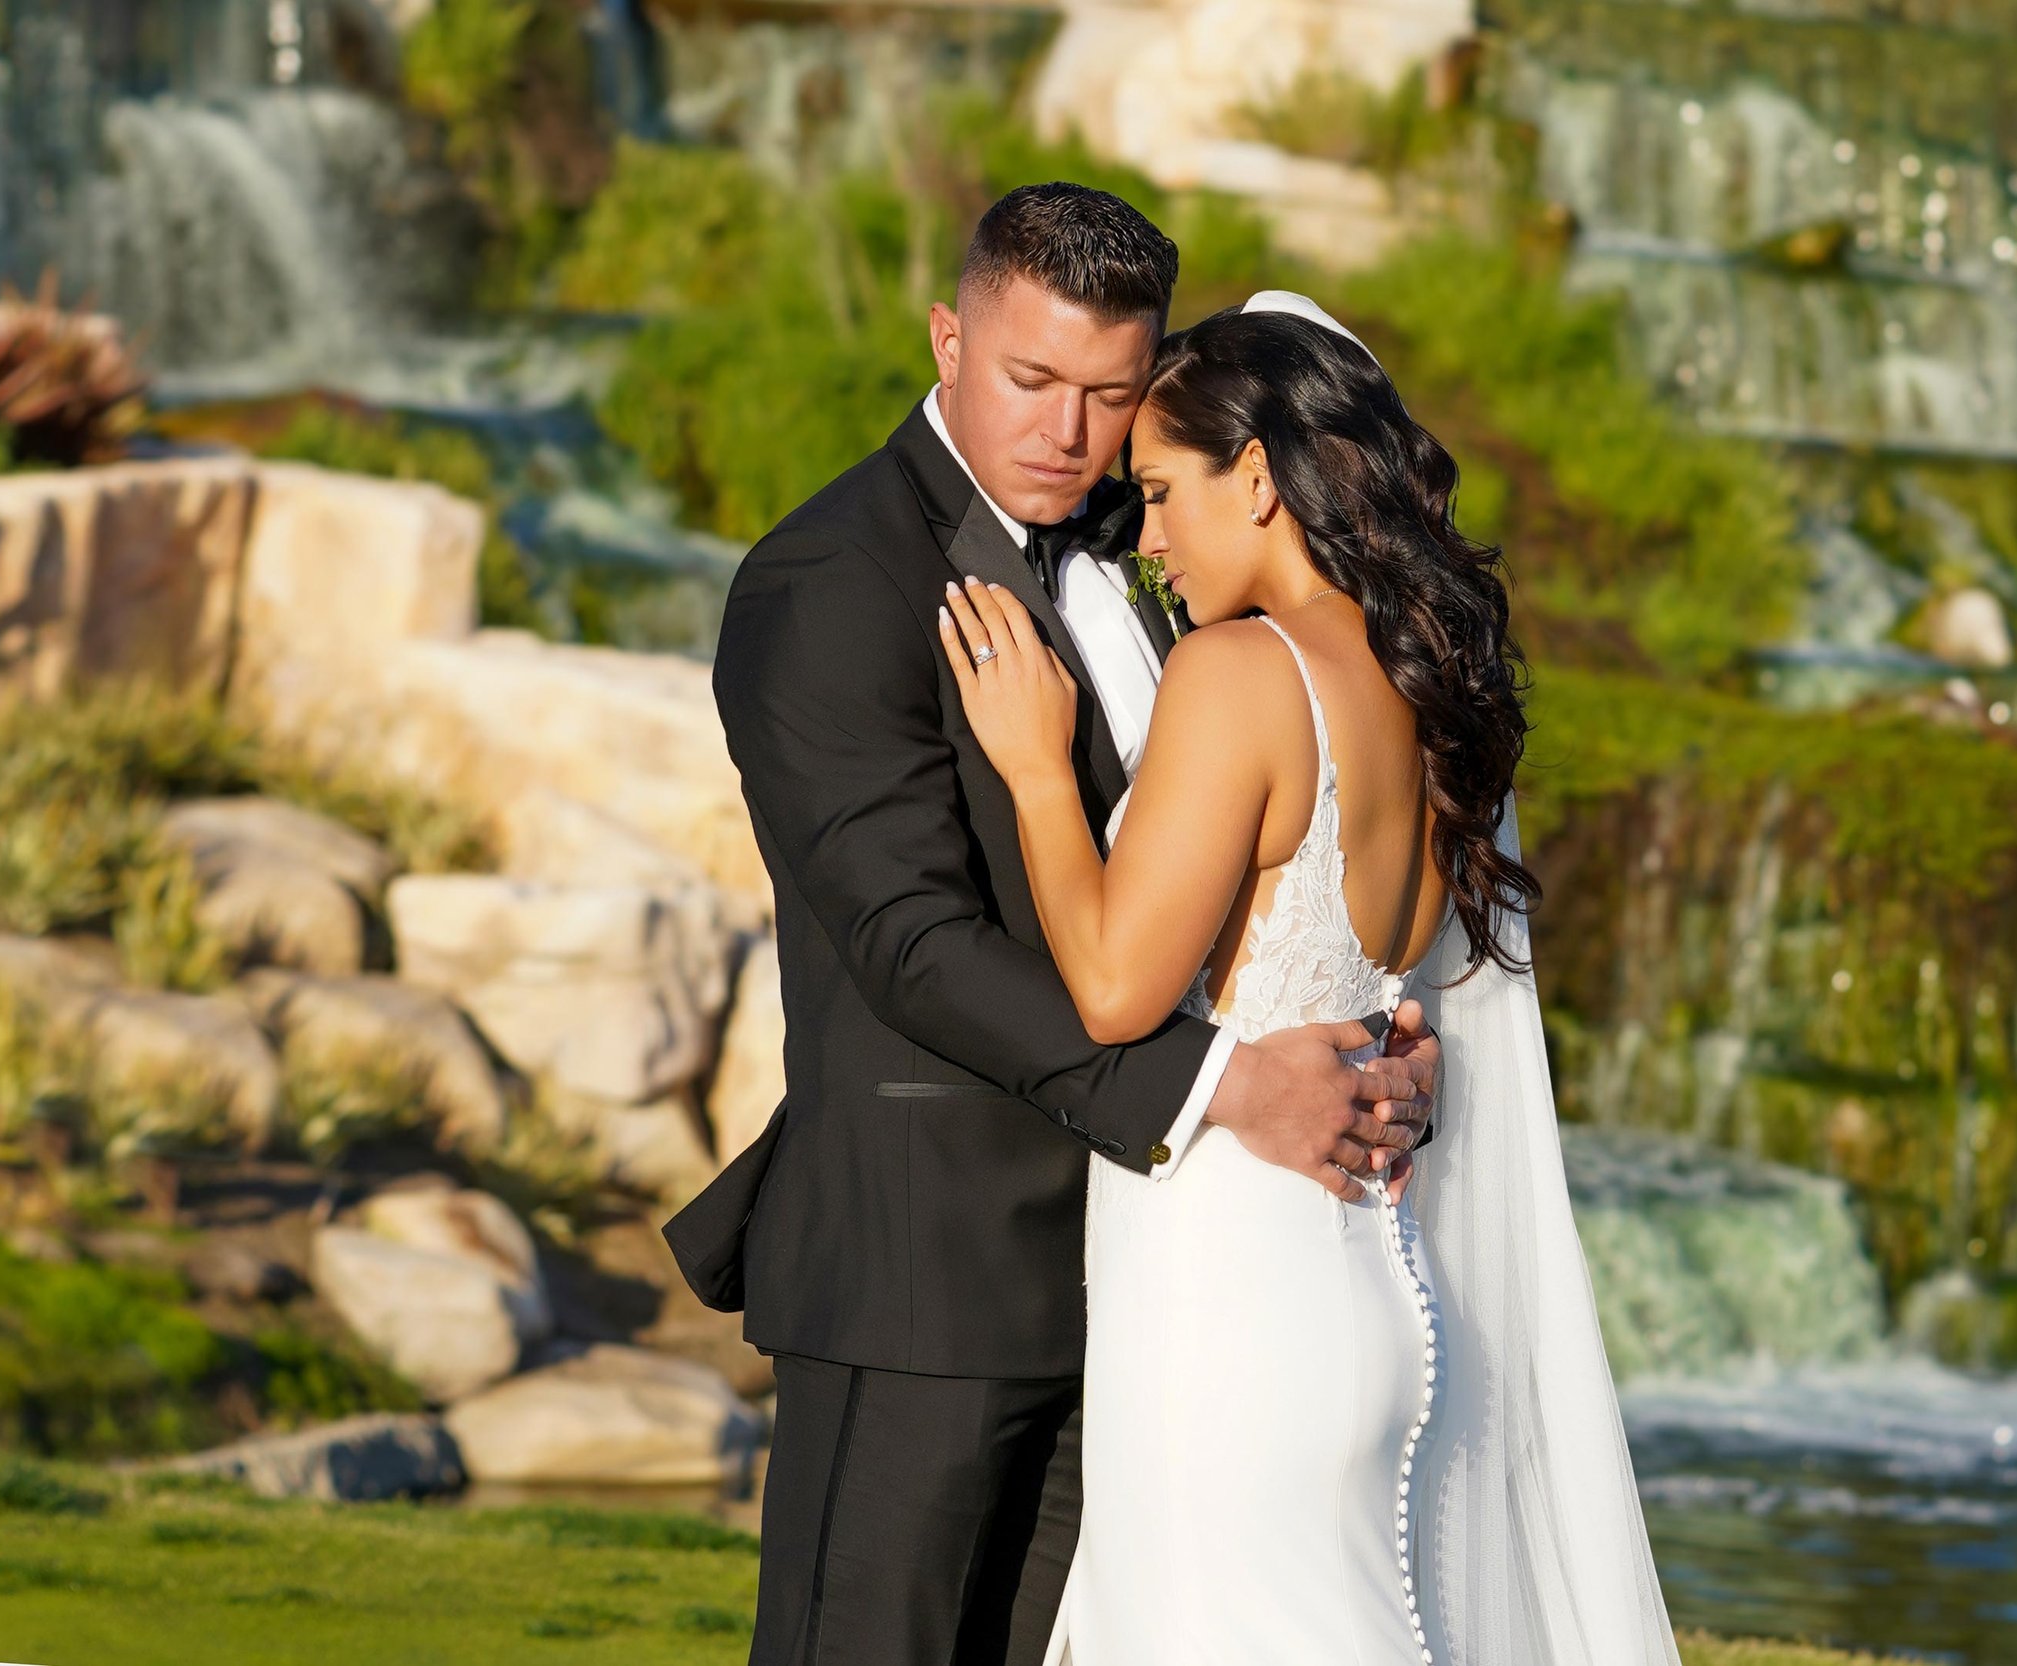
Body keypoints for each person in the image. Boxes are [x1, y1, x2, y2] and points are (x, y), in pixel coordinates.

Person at [662, 183, 1441, 1666]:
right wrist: (1225, 1089)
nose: (1068, 436)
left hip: (1160, 1285)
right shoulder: (829, 582)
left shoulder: (1166, 537)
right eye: (1030, 381)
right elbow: (909, 942)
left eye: (1108, 395)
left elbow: (1260, 858)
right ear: (948, 335)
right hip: (924, 1273)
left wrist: (1377, 1043)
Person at [940, 293, 1680, 1664]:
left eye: (1162, 492)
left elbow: (1112, 988)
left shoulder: (1240, 672)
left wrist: (1039, 763)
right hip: (1364, 1281)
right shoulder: (1422, 687)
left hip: (1224, 1291)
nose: (1147, 538)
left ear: (1261, 478)